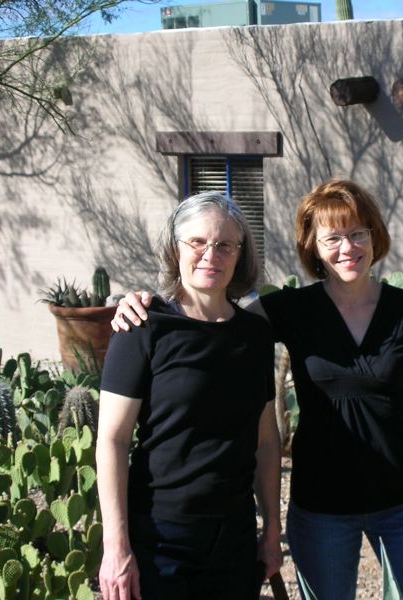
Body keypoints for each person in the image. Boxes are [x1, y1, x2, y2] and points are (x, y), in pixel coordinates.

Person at [113, 179, 403, 600]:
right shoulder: (289, 310)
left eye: (357, 233)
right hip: (323, 508)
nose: (347, 247)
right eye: (332, 237)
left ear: (374, 237)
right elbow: (210, 318)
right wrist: (144, 302)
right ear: (313, 246)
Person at [96, 191, 282, 600]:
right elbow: (112, 440)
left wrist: (271, 529)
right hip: (161, 537)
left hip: (233, 538)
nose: (210, 255)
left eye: (224, 245)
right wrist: (116, 548)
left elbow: (266, 441)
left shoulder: (255, 335)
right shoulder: (143, 328)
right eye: (197, 242)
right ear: (174, 248)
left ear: (240, 255)